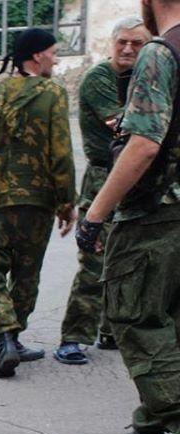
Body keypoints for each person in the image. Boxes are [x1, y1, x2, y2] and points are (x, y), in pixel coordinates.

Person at [77, 0, 180, 434]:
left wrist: (95, 215)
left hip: (157, 214)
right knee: (172, 327)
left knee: (137, 319)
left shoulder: (161, 53)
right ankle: (147, 427)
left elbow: (143, 144)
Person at [0, 28, 76, 378]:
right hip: (36, 200)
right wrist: (66, 202)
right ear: (36, 56)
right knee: (27, 273)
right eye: (53, 52)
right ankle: (11, 339)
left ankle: (4, 340)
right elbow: (60, 152)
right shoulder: (52, 94)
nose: (56, 59)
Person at [55, 18, 151, 365]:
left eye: (136, 44)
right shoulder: (99, 79)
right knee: (95, 260)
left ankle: (111, 331)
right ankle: (74, 338)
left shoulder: (146, 78)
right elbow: (126, 126)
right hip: (104, 178)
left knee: (129, 260)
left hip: (139, 178)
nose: (127, 49)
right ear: (112, 44)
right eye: (122, 42)